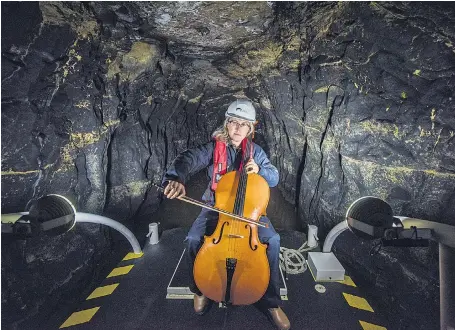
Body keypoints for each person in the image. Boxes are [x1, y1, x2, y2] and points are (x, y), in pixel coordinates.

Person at [162, 99, 291, 330]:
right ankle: (199, 289)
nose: (237, 129)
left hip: (249, 214)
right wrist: (176, 177)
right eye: (233, 122)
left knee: (273, 239)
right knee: (192, 239)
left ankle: (271, 302)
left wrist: (260, 170)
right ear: (226, 123)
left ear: (251, 128)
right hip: (216, 209)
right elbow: (188, 158)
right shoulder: (213, 148)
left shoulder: (256, 152)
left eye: (244, 124)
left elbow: (274, 177)